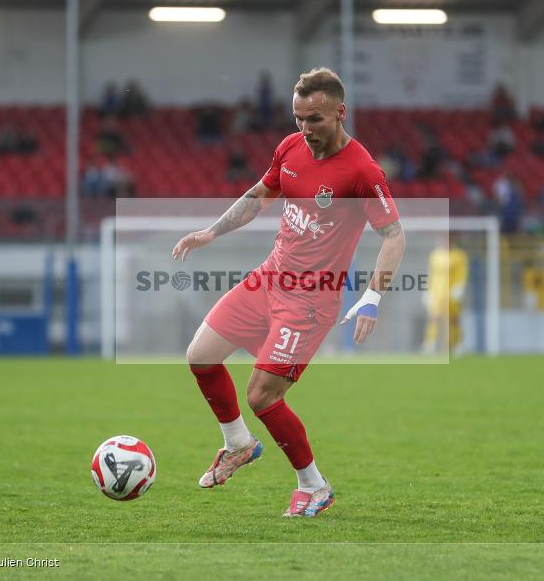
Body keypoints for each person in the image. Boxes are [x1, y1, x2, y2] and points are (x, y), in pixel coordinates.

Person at [172, 67, 405, 517]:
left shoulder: (362, 171)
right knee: (200, 356)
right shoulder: (291, 147)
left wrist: (372, 296)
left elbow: (394, 236)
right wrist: (211, 232)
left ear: (340, 112)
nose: (305, 128)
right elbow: (260, 195)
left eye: (314, 119)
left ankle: (314, 486)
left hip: (310, 301)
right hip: (269, 278)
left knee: (262, 395)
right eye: (298, 118)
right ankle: (238, 443)